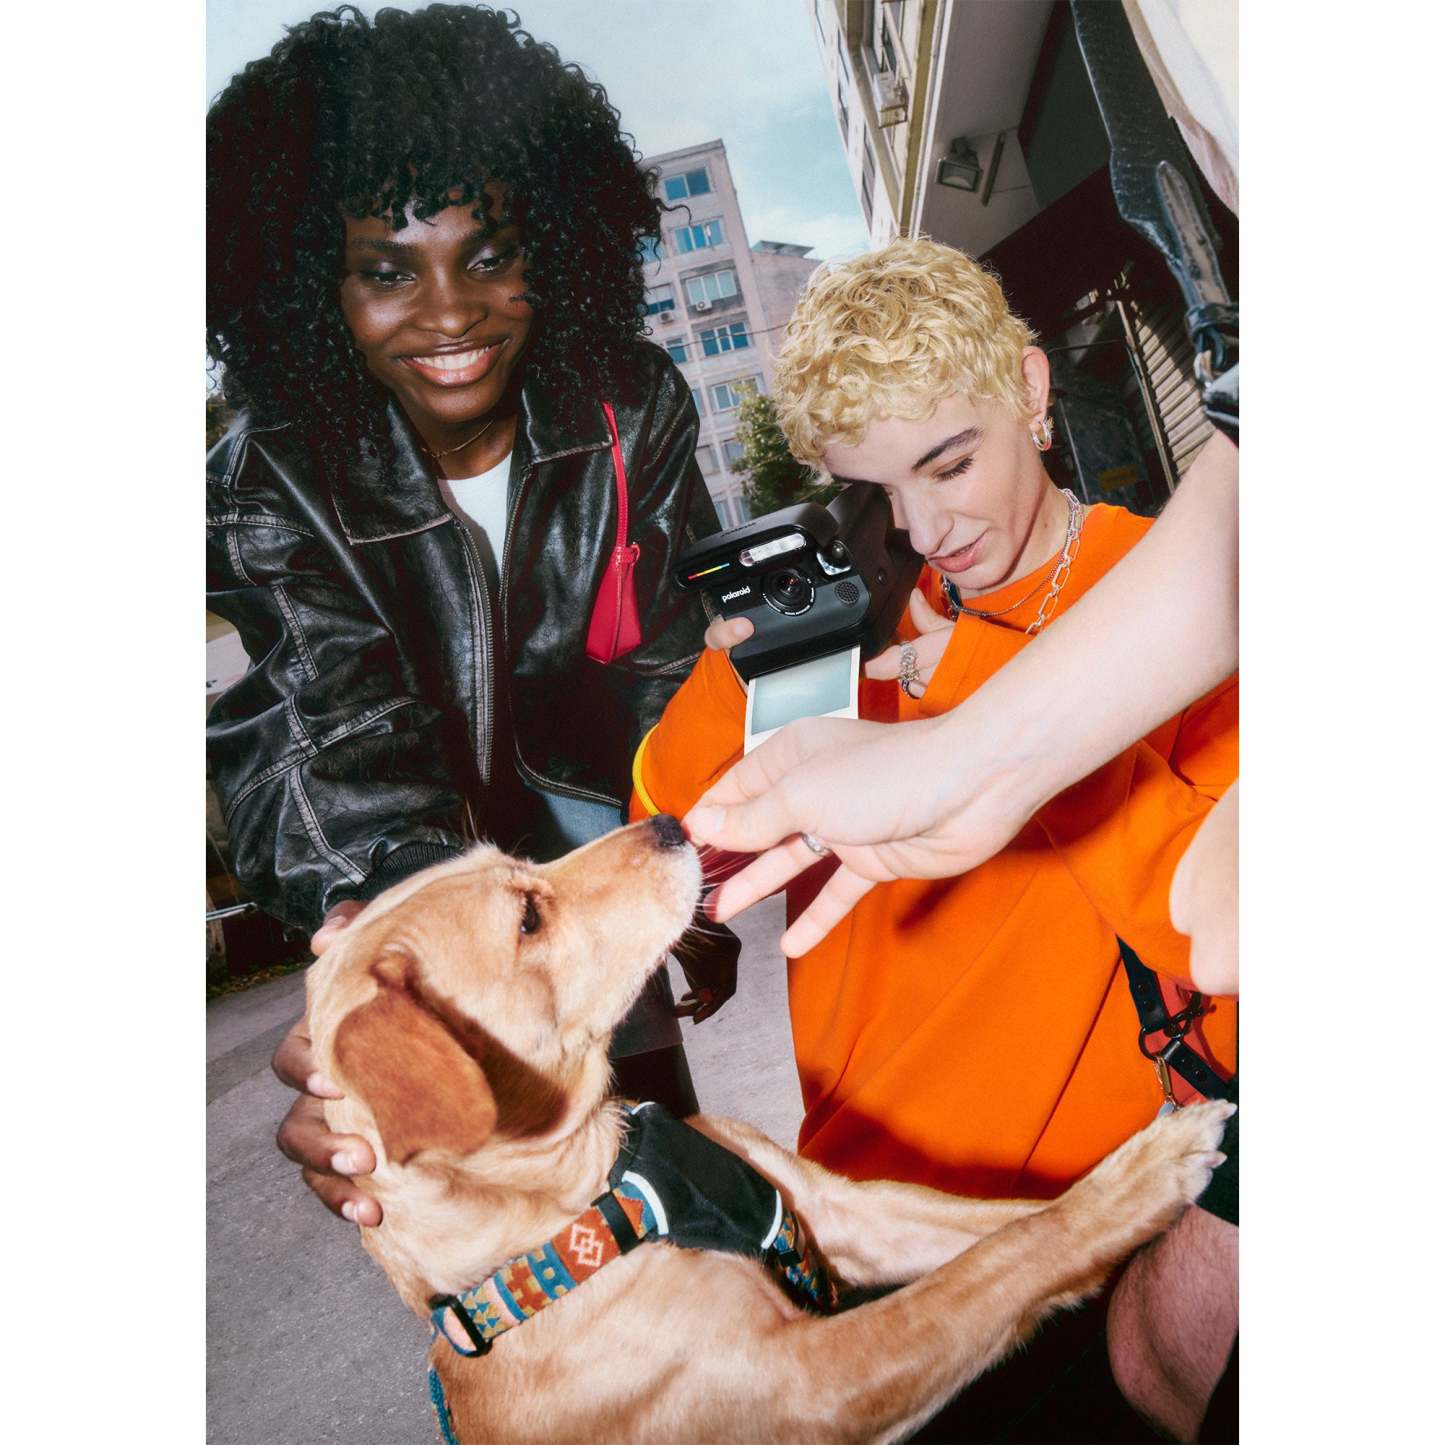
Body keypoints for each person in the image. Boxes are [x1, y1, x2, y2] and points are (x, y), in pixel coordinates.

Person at [630, 237, 1237, 1437]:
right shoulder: (855, 645)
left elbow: (1218, 941)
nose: (922, 527)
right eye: (878, 490)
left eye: (947, 464)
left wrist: (990, 711)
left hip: (1079, 1235)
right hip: (854, 1236)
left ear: (1030, 389)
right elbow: (679, 836)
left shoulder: (1180, 606)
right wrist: (740, 676)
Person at [206, 3, 738, 1227]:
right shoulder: (268, 477)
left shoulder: (629, 403)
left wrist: (680, 893)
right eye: (388, 271)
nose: (449, 314)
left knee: (674, 1195)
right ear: (313, 287)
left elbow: (672, 673)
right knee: (526, 1243)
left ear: (554, 249)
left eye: (489, 257)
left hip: (595, 847)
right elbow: (329, 737)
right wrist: (427, 947)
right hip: (446, 898)